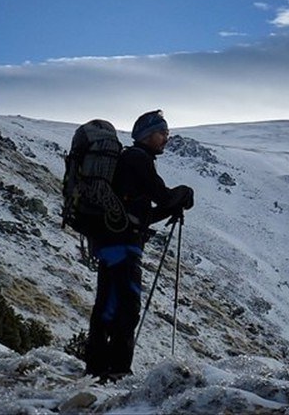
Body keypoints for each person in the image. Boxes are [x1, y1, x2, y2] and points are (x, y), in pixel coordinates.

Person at [84, 109, 194, 382]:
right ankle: (117, 370)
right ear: (147, 134)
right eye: (162, 133)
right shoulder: (138, 159)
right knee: (126, 306)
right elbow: (164, 196)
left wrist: (170, 207)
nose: (166, 138)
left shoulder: (132, 160)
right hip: (123, 245)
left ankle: (99, 368)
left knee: (109, 304)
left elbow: (141, 215)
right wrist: (184, 194)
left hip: (113, 241)